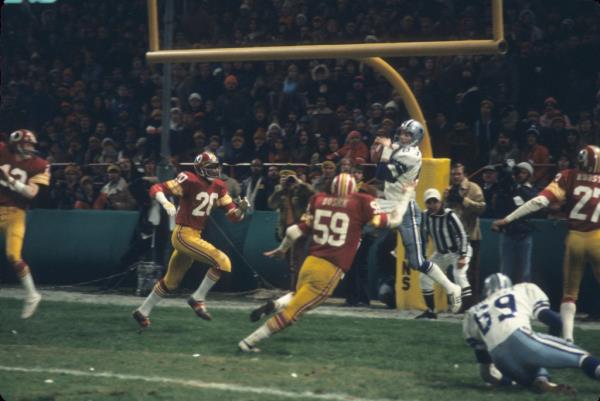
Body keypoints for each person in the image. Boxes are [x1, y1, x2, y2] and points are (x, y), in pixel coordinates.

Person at [238, 173, 403, 352]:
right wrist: (407, 196)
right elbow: (394, 221)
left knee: (299, 294)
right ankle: (249, 342)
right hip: (330, 269)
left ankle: (275, 304)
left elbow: (294, 231)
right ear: (353, 189)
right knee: (293, 313)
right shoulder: (361, 201)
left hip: (311, 261)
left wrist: (282, 250)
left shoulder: (319, 199)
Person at [492, 145, 600, 343]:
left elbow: (539, 202)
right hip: (597, 238)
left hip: (575, 238)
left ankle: (568, 338)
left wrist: (507, 219)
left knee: (569, 294)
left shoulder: (569, 176)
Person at [132, 151, 249, 328]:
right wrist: (166, 203)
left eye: (216, 167)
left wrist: (241, 209)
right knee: (223, 262)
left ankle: (142, 311)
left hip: (194, 235)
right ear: (200, 169)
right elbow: (156, 188)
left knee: (171, 281)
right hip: (183, 234)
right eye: (210, 167)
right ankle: (198, 298)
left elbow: (233, 217)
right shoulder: (190, 179)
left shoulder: (218, 186)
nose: (215, 170)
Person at [373, 119, 463, 313]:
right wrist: (380, 147)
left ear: (415, 139)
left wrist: (385, 151)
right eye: (402, 133)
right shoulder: (401, 148)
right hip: (389, 204)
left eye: (408, 135)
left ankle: (451, 288)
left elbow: (382, 174)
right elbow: (379, 158)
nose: (403, 137)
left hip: (405, 210)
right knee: (359, 224)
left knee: (417, 262)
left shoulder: (411, 154)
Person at [463, 273, 600, 394]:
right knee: (582, 357)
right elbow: (555, 321)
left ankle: (540, 381)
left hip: (500, 359)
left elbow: (486, 374)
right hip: (520, 338)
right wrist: (553, 346)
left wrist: (505, 382)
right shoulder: (521, 290)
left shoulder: (474, 312)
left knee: (533, 373)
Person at [0, 129, 50, 318]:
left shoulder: (39, 165)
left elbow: (31, 193)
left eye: (31, 145)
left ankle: (32, 295)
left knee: (13, 255)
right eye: (27, 144)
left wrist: (9, 180)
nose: (30, 148)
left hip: (15, 213)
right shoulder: (3, 151)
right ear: (16, 145)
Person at [418, 188, 472, 319]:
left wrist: (463, 256)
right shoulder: (425, 216)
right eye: (429, 202)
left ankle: (470, 312)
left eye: (434, 202)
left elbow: (463, 235)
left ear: (440, 202)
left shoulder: (450, 215)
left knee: (459, 276)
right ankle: (431, 311)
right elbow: (423, 237)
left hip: (457, 252)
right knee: (424, 278)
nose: (432, 205)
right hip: (440, 253)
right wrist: (423, 256)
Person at [445, 162, 486, 305]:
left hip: (470, 236)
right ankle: (457, 302)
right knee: (454, 272)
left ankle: (470, 303)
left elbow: (481, 208)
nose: (455, 177)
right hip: (453, 238)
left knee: (470, 273)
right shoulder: (448, 189)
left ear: (465, 175)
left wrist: (463, 200)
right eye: (453, 174)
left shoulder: (473, 188)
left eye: (458, 174)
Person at [268, 169, 315, 289]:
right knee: (290, 262)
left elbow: (313, 194)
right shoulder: (280, 191)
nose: (287, 180)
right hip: (286, 230)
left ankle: (297, 289)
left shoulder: (300, 190)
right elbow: (272, 205)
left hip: (300, 229)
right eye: (283, 177)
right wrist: (280, 190)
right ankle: (294, 288)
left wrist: (299, 183)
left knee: (298, 261)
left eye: (289, 177)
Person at [493, 161, 538, 283]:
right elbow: (499, 206)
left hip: (524, 235)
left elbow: (530, 201)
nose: (520, 175)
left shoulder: (531, 191)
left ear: (529, 175)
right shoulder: (508, 189)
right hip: (508, 234)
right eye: (519, 172)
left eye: (524, 173)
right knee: (505, 271)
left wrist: (516, 188)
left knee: (525, 271)